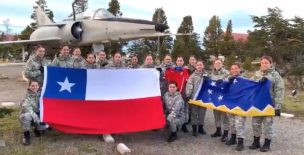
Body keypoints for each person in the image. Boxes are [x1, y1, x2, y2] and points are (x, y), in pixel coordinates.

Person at [249, 56, 284, 152]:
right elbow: (249, 83)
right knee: (255, 123)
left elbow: (279, 91)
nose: (264, 64)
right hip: (257, 104)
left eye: (266, 62)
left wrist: (278, 106)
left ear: (270, 64)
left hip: (269, 105)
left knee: (268, 124)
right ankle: (256, 142)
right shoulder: (257, 74)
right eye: (262, 63)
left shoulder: (275, 75)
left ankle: (267, 143)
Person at [165, 56, 190, 133]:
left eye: (181, 60)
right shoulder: (171, 71)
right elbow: (165, 77)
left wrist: (187, 94)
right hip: (174, 94)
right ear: (176, 62)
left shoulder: (186, 71)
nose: (179, 62)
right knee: (172, 108)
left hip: (182, 94)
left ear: (183, 62)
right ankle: (172, 123)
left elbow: (188, 82)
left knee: (184, 110)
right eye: (178, 60)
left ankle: (184, 125)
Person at [225, 63, 247, 151]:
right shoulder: (228, 79)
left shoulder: (244, 79)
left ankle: (240, 141)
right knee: (232, 122)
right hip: (230, 104)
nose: (234, 70)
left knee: (239, 123)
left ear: (239, 69)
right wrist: (226, 83)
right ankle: (233, 138)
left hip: (240, 105)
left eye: (236, 68)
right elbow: (223, 88)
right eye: (232, 68)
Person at [185, 60, 208, 137]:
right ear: (195, 66)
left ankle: (201, 127)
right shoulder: (192, 76)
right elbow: (189, 85)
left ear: (203, 66)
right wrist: (188, 95)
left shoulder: (207, 75)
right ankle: (194, 129)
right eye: (198, 65)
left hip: (204, 98)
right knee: (194, 114)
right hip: (194, 98)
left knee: (202, 113)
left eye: (200, 65)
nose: (199, 66)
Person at [19, 80, 45, 145]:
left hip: (38, 114)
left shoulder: (42, 93)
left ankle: (37, 129)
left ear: (39, 86)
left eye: (36, 86)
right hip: (30, 114)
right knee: (26, 116)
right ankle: (26, 135)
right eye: (32, 86)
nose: (35, 87)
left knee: (42, 131)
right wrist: (38, 120)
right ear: (29, 86)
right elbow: (28, 109)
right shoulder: (26, 96)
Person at [210, 58, 230, 142]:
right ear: (214, 65)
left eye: (219, 63)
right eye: (216, 63)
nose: (217, 64)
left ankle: (225, 133)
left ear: (222, 64)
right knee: (216, 114)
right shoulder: (212, 73)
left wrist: (223, 81)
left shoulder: (226, 73)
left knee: (225, 116)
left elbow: (230, 80)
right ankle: (218, 130)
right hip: (215, 97)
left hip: (224, 97)